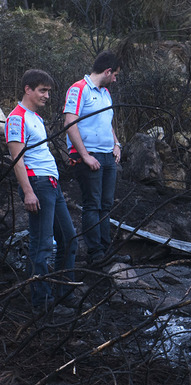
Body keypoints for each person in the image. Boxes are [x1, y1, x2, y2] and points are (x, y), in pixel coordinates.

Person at [5, 69, 78, 315]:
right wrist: (28, 192)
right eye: (42, 91)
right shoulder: (17, 118)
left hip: (52, 184)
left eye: (48, 91)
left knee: (68, 239)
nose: (47, 96)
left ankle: (64, 295)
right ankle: (42, 303)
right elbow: (17, 158)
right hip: (38, 184)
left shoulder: (35, 117)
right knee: (42, 244)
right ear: (28, 89)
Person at [64, 50, 122, 265]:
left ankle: (106, 251)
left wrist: (116, 144)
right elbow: (70, 123)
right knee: (92, 205)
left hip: (108, 156)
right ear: (107, 71)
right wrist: (85, 155)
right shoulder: (79, 89)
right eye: (114, 74)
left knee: (106, 205)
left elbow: (107, 122)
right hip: (89, 156)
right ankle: (95, 254)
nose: (115, 79)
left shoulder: (105, 93)